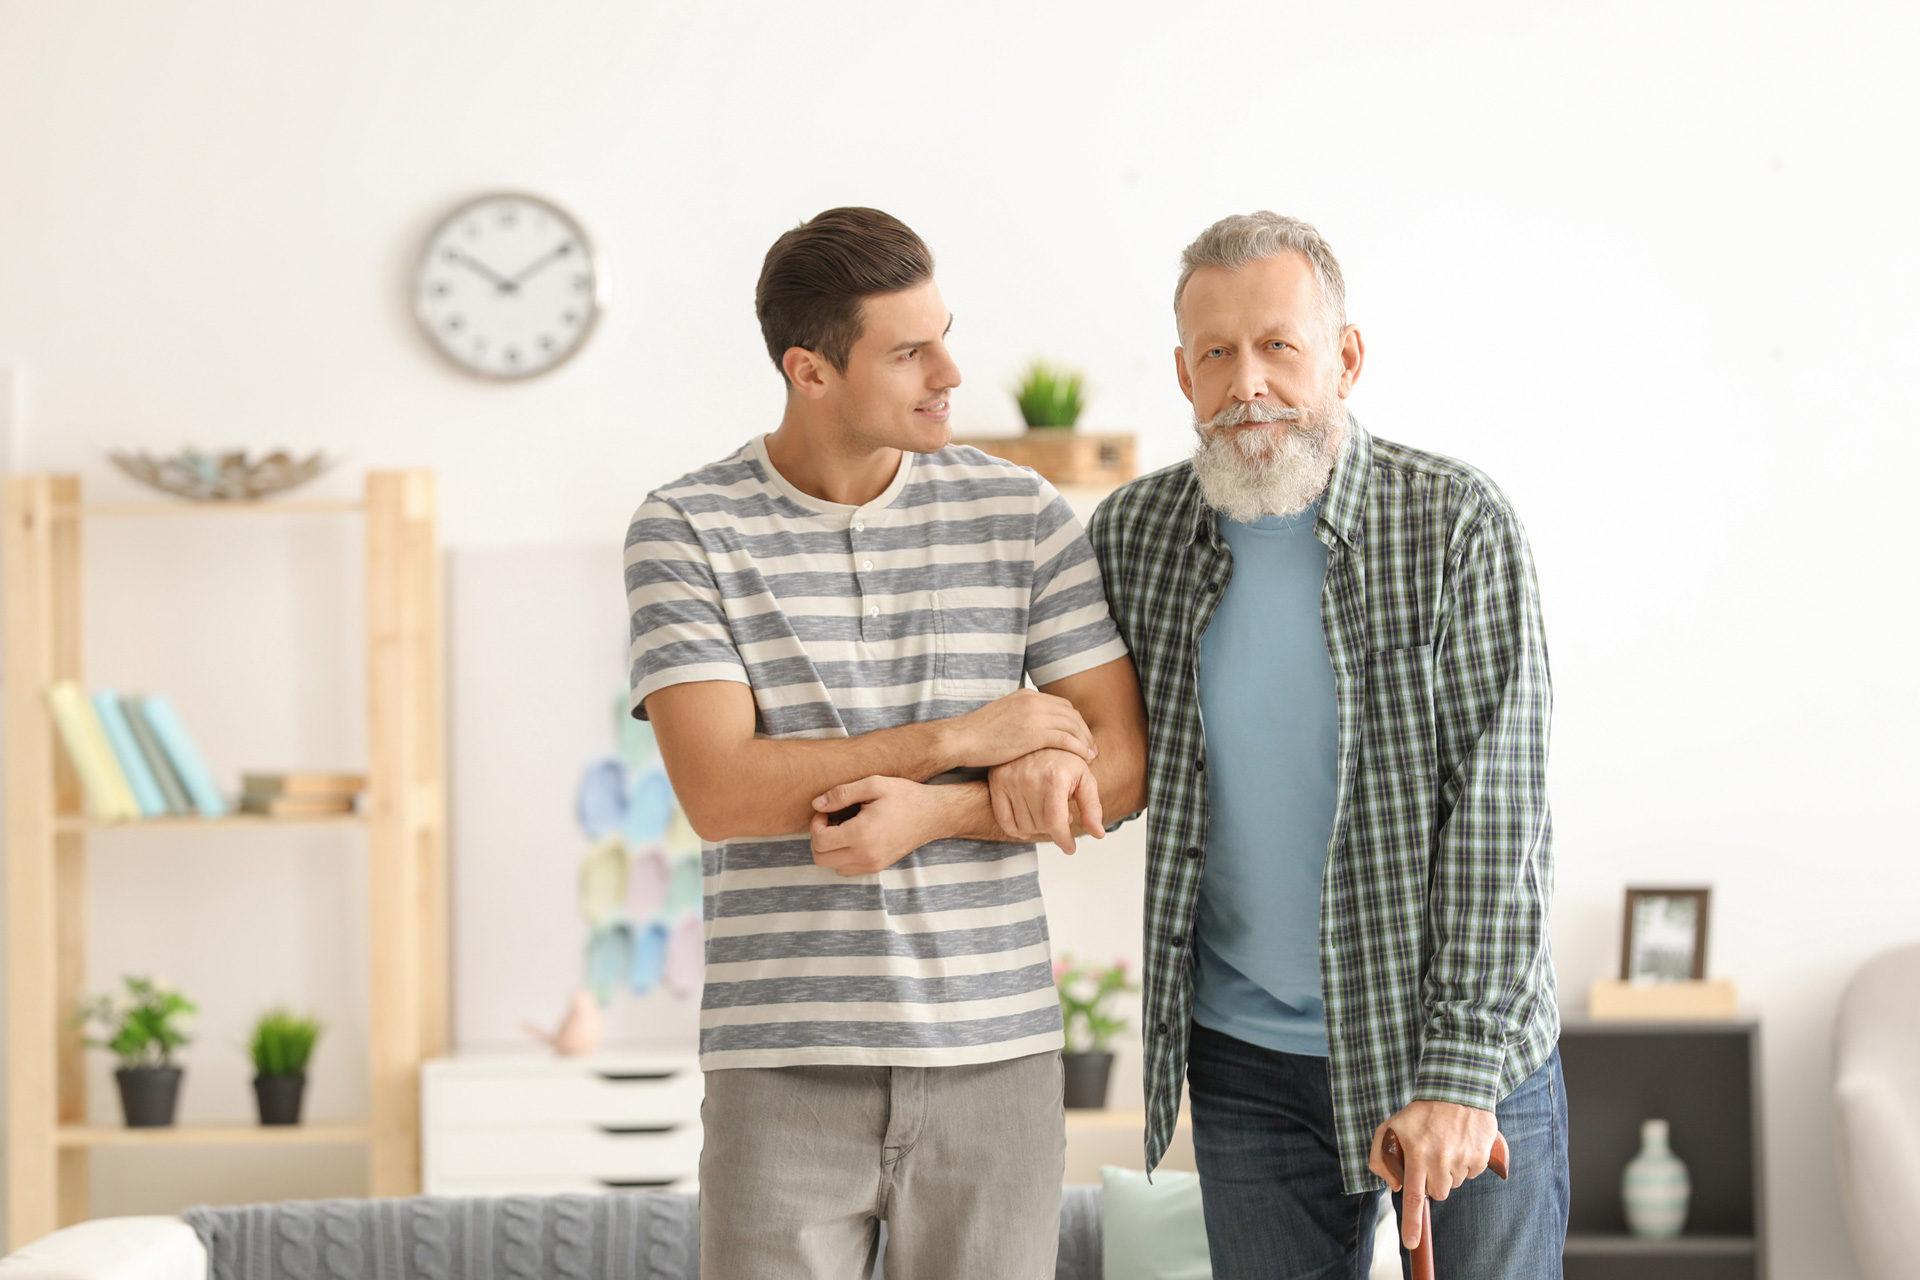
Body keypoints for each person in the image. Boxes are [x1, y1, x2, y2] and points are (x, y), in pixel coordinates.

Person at [625, 206, 1148, 1280]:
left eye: (944, 334)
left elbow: (1124, 759)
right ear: (809, 369)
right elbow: (723, 791)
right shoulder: (687, 527)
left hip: (995, 1058)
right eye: (910, 351)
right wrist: (969, 734)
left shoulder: (1020, 512)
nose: (950, 370)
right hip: (783, 1063)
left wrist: (946, 806)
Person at [1087, 212, 1566, 1278]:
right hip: (1247, 1064)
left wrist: (1459, 1069)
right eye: (1217, 352)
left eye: (1278, 345)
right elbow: (1098, 756)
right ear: (1183, 374)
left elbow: (1501, 812)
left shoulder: (1454, 522)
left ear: (1345, 357)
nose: (1247, 381)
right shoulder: (1129, 537)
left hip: (1446, 1042)